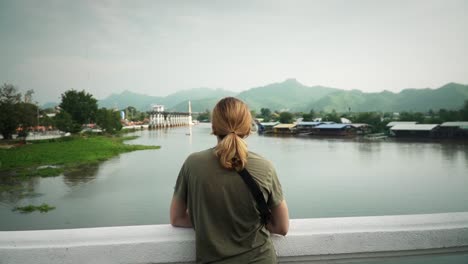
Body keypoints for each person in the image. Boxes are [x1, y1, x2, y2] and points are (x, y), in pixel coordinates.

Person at [170, 97, 289, 264]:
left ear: (213, 127)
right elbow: (281, 227)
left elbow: (177, 218)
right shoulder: (265, 167)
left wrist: (210, 223)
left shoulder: (193, 164)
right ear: (248, 129)